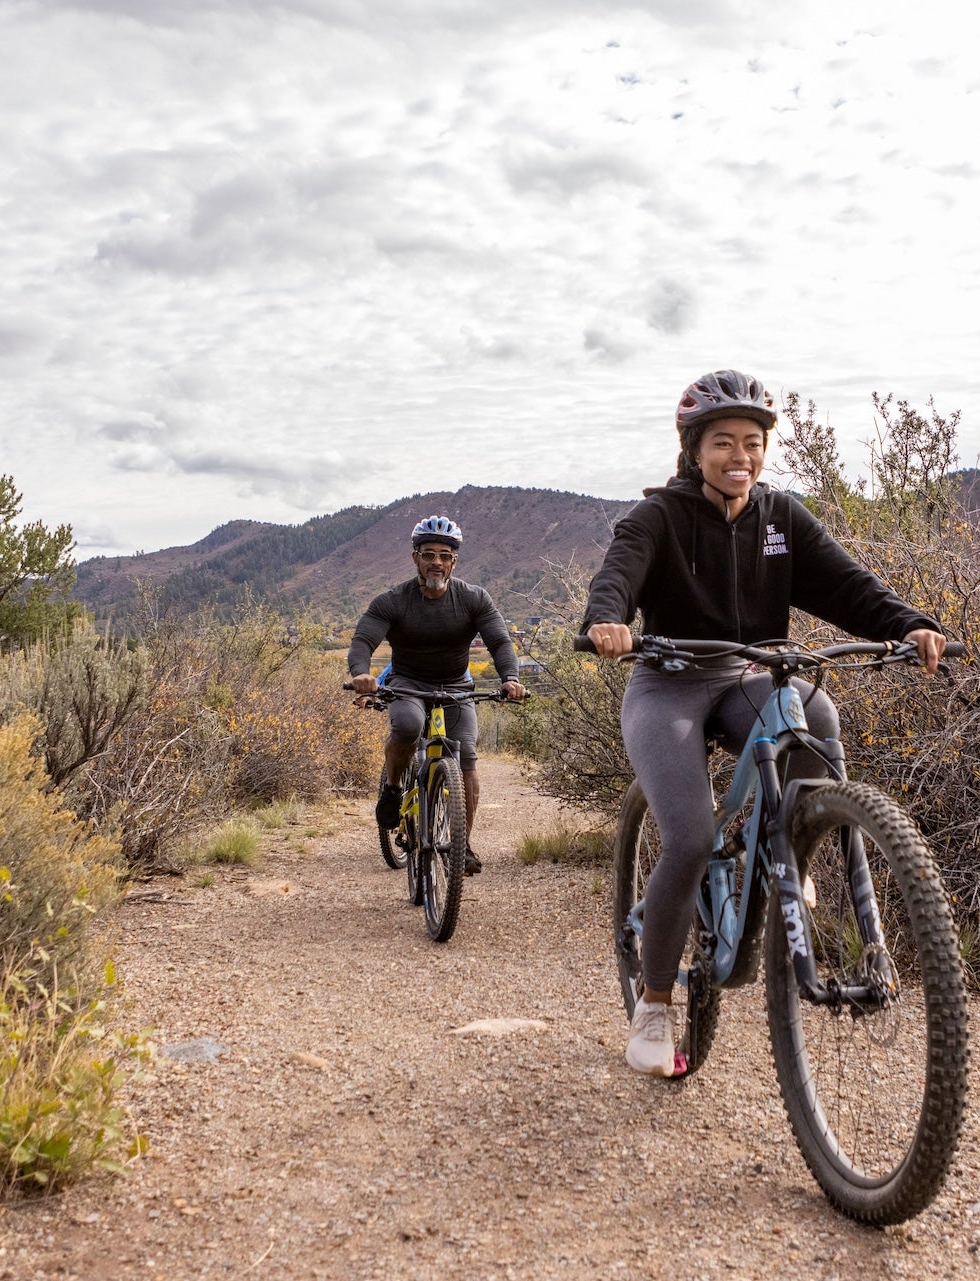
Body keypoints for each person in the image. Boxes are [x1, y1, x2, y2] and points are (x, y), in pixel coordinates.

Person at [581, 370, 945, 1076]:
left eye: (752, 442)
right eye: (723, 442)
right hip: (670, 685)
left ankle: (778, 845)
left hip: (749, 674)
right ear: (694, 449)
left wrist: (910, 624)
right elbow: (618, 575)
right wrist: (607, 621)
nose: (739, 455)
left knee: (813, 708)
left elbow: (848, 584)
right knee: (686, 837)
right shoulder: (657, 517)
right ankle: (655, 1003)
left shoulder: (781, 518)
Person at [349, 516, 527, 873]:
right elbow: (363, 639)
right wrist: (362, 675)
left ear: (454, 561)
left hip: (456, 685)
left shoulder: (474, 599)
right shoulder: (393, 601)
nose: (436, 562)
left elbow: (499, 641)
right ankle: (394, 787)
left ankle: (461, 846)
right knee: (408, 727)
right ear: (415, 557)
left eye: (444, 555)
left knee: (467, 757)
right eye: (428, 554)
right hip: (406, 682)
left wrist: (510, 677)